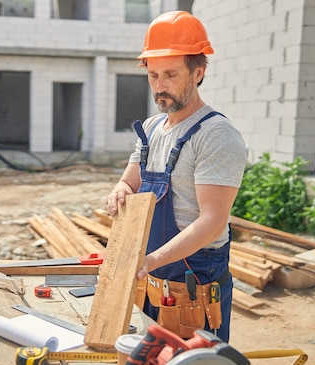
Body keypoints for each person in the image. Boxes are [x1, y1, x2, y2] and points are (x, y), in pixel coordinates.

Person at [105, 10, 248, 342]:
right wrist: (120, 190)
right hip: (153, 280)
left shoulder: (216, 135)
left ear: (198, 73)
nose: (160, 86)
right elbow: (130, 181)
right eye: (153, 75)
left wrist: (152, 259)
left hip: (194, 285)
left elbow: (213, 221)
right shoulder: (152, 128)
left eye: (170, 74)